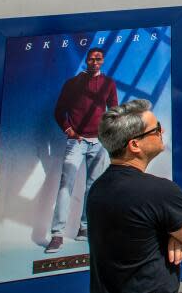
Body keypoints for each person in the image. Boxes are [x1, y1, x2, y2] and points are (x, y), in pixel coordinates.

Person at [87, 99, 182, 293]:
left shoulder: (98, 189)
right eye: (156, 129)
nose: (163, 133)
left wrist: (177, 238)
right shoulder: (159, 192)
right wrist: (180, 238)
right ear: (135, 145)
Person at [46, 47, 118, 253]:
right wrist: (69, 130)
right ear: (86, 60)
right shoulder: (73, 84)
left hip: (99, 143)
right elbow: (59, 111)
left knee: (93, 187)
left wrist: (108, 135)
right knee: (65, 186)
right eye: (92, 59)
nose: (95, 62)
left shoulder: (108, 84)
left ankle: (84, 228)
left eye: (99, 59)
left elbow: (114, 111)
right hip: (76, 142)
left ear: (103, 61)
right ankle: (57, 234)